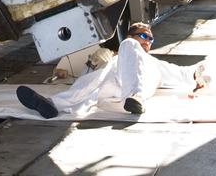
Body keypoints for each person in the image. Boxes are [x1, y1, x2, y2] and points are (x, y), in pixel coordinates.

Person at [15, 22, 205, 119]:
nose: (148, 41)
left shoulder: (153, 62)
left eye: (151, 39)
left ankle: (135, 97)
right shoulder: (115, 57)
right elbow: (87, 78)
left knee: (124, 51)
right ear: (132, 34)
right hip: (113, 84)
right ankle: (51, 105)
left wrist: (198, 74)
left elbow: (186, 72)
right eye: (144, 36)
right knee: (92, 82)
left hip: (139, 87)